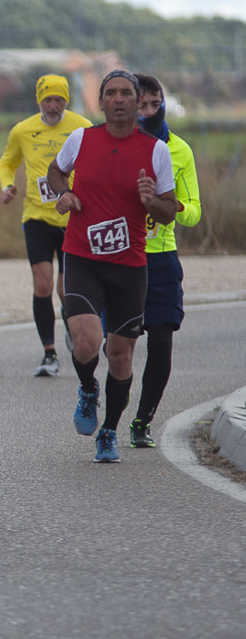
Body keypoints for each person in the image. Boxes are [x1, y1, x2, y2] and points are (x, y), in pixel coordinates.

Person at [46, 69, 177, 463]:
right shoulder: (81, 139)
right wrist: (64, 193)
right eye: (111, 93)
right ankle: (89, 389)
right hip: (82, 257)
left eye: (126, 93)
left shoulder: (156, 151)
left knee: (120, 356)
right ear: (101, 102)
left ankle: (109, 431)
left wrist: (151, 201)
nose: (119, 99)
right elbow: (55, 171)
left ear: (138, 103)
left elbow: (169, 211)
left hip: (129, 266)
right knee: (86, 341)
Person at [0, 74, 92, 377]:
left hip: (73, 218)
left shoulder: (82, 127)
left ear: (67, 100)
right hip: (36, 217)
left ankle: (70, 320)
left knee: (66, 289)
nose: (53, 106)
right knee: (42, 284)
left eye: (59, 100)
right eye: (47, 100)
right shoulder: (23, 130)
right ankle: (49, 354)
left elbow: (97, 163)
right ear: (38, 101)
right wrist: (7, 185)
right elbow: (7, 162)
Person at [127, 74, 202, 448]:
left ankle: (142, 421)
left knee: (161, 340)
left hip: (160, 260)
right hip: (122, 259)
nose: (148, 111)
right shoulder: (115, 145)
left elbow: (195, 213)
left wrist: (173, 206)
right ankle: (107, 403)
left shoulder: (180, 151)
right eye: (141, 105)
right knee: (117, 346)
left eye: (155, 104)